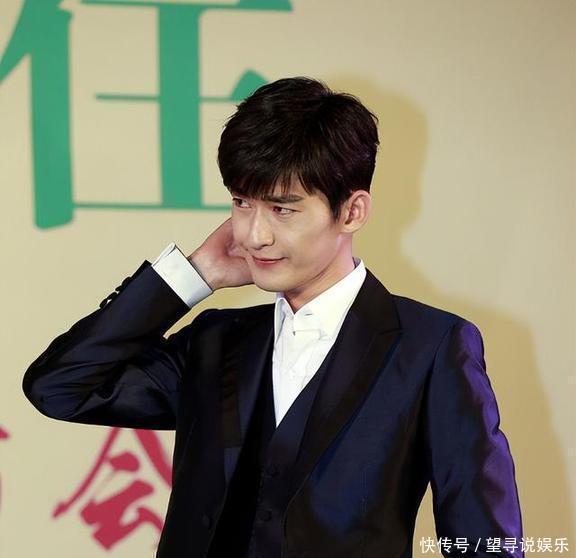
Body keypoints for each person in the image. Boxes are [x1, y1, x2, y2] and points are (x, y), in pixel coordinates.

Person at [23, 77, 523, 558]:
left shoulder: (430, 346)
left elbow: (485, 540)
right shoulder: (215, 343)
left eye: (283, 209)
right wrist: (191, 276)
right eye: (242, 203)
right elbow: (59, 388)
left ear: (352, 212)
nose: (253, 235)